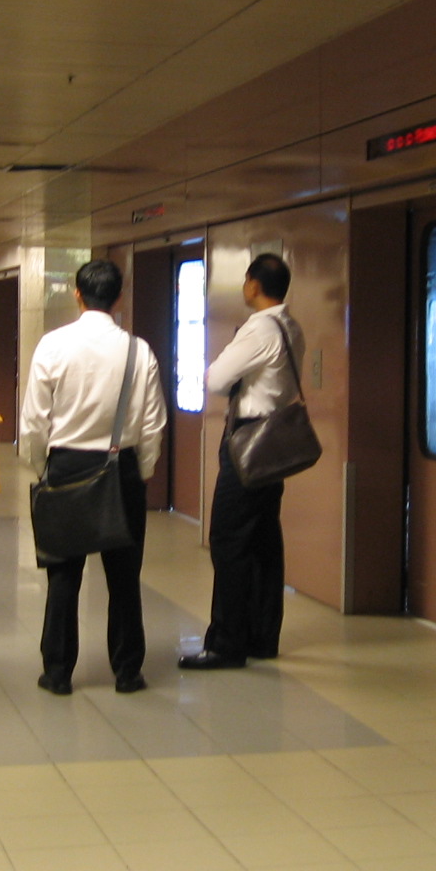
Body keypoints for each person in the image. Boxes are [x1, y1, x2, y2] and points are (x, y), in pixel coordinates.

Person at [20, 259, 166, 695]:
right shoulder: (140, 352)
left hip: (65, 465)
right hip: (119, 467)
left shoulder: (52, 346)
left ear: (77, 295)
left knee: (63, 575)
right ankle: (127, 671)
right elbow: (153, 424)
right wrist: (139, 473)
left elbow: (33, 422)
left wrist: (42, 467)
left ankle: (58, 671)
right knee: (124, 578)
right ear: (119, 297)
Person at [180, 253, 304, 671]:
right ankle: (262, 635)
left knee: (229, 540)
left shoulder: (259, 329)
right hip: (275, 442)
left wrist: (222, 367)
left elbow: (215, 380)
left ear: (254, 284)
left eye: (246, 280)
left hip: (248, 441)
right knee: (264, 540)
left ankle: (226, 642)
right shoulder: (291, 326)